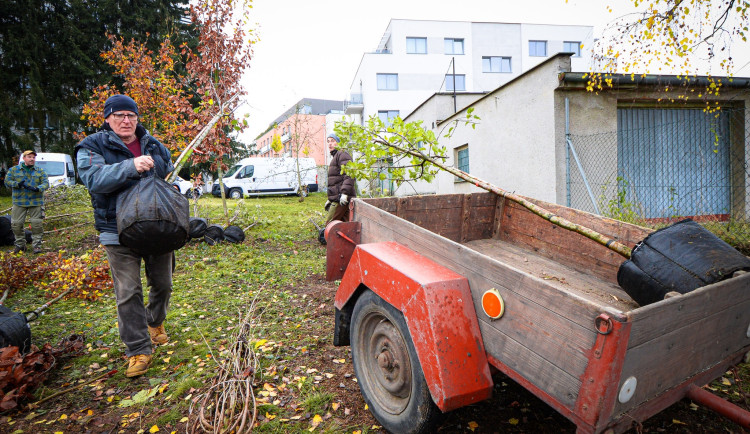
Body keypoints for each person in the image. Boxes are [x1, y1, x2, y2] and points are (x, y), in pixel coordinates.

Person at [75, 94, 175, 378]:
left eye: (130, 115)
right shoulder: (92, 145)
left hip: (156, 227)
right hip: (115, 229)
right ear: (107, 118)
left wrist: (174, 188)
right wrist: (131, 166)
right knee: (128, 291)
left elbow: (169, 174)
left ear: (137, 118)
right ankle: (138, 349)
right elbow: (94, 179)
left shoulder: (154, 144)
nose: (126, 120)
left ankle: (154, 322)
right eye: (118, 115)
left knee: (164, 284)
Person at [4, 150, 49, 254]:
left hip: (35, 201)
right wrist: (17, 184)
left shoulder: (40, 171)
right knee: (16, 224)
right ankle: (20, 244)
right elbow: (7, 181)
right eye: (29, 157)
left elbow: (46, 183)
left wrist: (38, 188)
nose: (32, 159)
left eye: (33, 157)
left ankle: (37, 246)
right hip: (19, 201)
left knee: (36, 224)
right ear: (24, 158)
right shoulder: (14, 170)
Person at [324, 133, 356, 224]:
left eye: (333, 141)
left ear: (338, 143)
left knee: (330, 226)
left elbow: (349, 174)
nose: (330, 144)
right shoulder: (336, 156)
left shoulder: (342, 154)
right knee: (345, 225)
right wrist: (330, 199)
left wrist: (344, 193)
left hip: (341, 199)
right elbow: (336, 180)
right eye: (328, 141)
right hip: (339, 198)